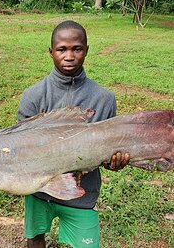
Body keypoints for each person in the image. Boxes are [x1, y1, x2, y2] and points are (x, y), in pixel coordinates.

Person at [17, 20, 130, 248]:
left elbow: (107, 148)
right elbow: (23, 149)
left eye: (76, 49)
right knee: (35, 238)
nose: (69, 56)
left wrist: (113, 162)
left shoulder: (103, 98)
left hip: (83, 193)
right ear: (51, 52)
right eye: (62, 49)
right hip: (40, 190)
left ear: (86, 50)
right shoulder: (33, 96)